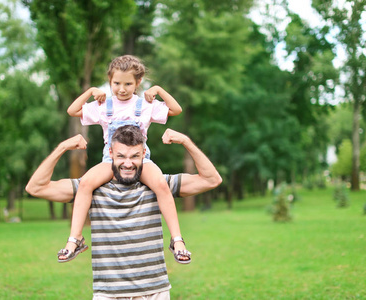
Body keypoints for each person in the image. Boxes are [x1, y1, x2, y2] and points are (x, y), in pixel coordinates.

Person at [25, 126, 222, 299]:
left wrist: (186, 141)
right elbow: (36, 188)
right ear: (110, 153)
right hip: (108, 293)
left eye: (134, 156)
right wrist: (62, 147)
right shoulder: (92, 188)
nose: (128, 163)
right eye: (121, 156)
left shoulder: (158, 185)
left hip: (154, 291)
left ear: (144, 154)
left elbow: (211, 180)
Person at [62, 55, 187, 263]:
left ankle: (177, 240)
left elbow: (176, 109)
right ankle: (75, 239)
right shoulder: (103, 106)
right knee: (85, 183)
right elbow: (72, 110)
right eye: (116, 83)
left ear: (138, 83)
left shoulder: (145, 105)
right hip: (110, 161)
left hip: (141, 160)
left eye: (128, 83)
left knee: (161, 185)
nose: (122, 88)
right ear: (110, 81)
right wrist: (91, 91)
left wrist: (157, 90)